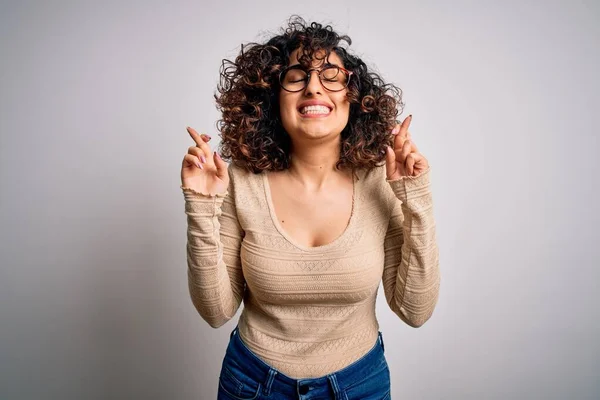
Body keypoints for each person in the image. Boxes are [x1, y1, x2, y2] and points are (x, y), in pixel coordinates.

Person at [180, 16, 440, 400]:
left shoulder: (380, 181)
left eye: (331, 75)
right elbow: (216, 311)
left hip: (359, 386)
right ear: (273, 97)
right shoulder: (241, 181)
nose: (314, 87)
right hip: (252, 384)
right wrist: (201, 207)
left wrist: (415, 197)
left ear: (353, 95)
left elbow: (414, 311)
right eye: (297, 76)